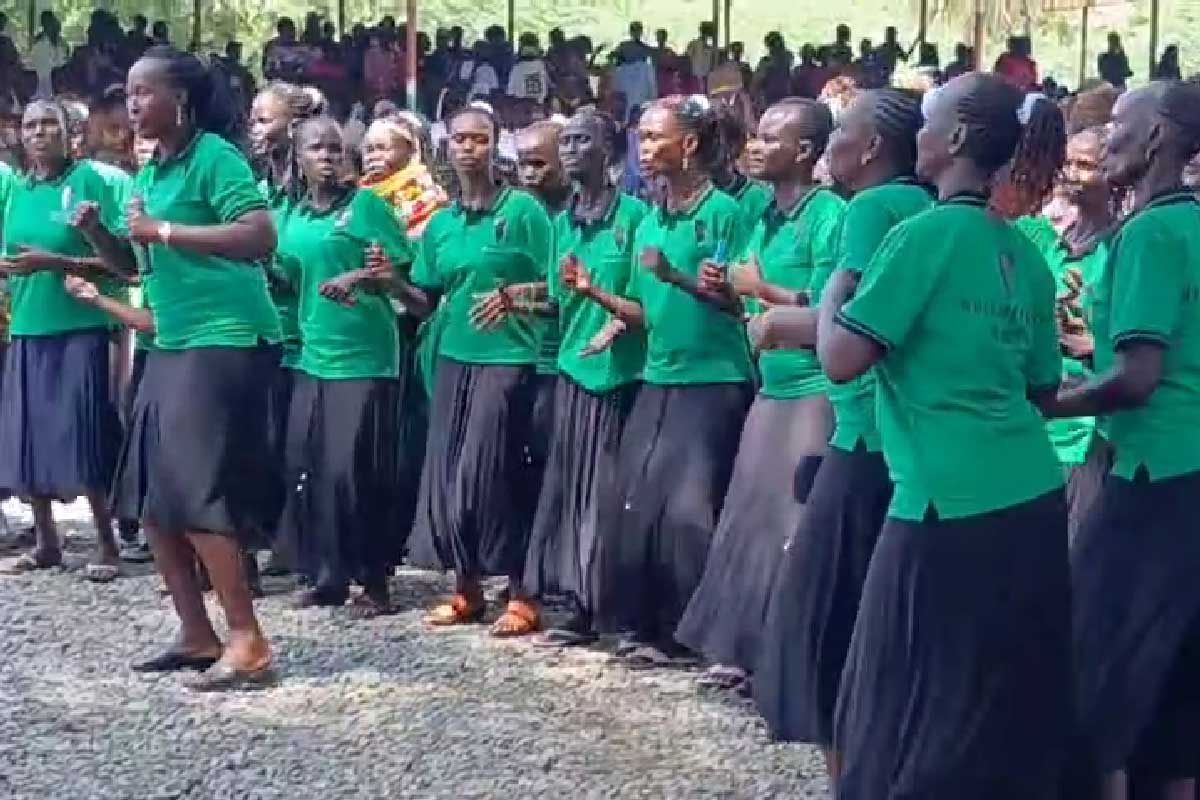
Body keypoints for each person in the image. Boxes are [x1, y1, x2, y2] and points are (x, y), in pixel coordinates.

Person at [819, 73, 1071, 796]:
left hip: (942, 503)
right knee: (996, 695)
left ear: (955, 139)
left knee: (899, 690)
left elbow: (842, 359)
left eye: (926, 120)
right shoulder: (1023, 253)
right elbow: (1042, 391)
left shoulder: (920, 235)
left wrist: (840, 284)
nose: (915, 134)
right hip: (1029, 493)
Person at [745, 87, 932, 783]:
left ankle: (851, 780)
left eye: (841, 133)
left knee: (825, 631)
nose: (830, 147)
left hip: (862, 438)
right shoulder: (929, 209)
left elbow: (846, 330)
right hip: (906, 445)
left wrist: (774, 324)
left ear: (875, 147)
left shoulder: (873, 209)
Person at [106, 47, 283, 690]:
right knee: (153, 497)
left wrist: (167, 231)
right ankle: (195, 632)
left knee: (200, 490)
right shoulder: (151, 172)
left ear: (179, 99)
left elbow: (260, 236)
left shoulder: (215, 157)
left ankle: (248, 639)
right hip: (174, 339)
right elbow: (136, 267)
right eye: (127, 92)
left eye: (143, 91)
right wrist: (105, 233)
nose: (131, 103)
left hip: (226, 336)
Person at [1048, 80, 1200, 800]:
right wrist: (1089, 349)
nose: (1104, 137)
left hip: (1148, 468)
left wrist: (1048, 403)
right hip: (1190, 465)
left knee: (1100, 673)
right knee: (1177, 690)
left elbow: (1139, 376)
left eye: (1118, 124)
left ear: (1160, 136)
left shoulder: (1148, 234)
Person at [677, 98, 844, 691]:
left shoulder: (830, 215)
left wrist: (761, 286)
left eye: (771, 138)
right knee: (749, 521)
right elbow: (743, 306)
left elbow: (834, 305)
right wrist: (722, 291)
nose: (755, 145)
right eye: (755, 135)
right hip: (770, 386)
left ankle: (786, 658)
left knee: (789, 525)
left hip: (812, 389)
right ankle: (741, 647)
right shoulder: (762, 217)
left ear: (804, 151)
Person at [588, 95, 754, 667]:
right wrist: (603, 307)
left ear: (689, 145)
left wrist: (675, 275)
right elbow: (641, 305)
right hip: (658, 374)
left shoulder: (724, 214)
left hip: (713, 379)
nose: (644, 147)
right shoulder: (648, 217)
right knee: (636, 501)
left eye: (655, 137)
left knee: (691, 510)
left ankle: (697, 635)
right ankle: (643, 626)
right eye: (641, 137)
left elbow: (733, 301)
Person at [407, 103, 552, 637]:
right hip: (452, 358)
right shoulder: (441, 223)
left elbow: (558, 288)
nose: (469, 148)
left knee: (495, 474)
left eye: (480, 139)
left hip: (509, 360)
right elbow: (425, 296)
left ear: (497, 147)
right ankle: (465, 587)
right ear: (446, 147)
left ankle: (521, 592)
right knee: (450, 476)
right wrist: (379, 282)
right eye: (460, 139)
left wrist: (516, 296)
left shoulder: (526, 212)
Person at [274, 116, 412, 616]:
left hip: (365, 356)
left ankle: (374, 580)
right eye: (318, 149)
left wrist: (363, 275)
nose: (329, 157)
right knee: (306, 464)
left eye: (337, 149)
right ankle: (326, 575)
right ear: (299, 157)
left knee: (354, 471)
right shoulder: (292, 215)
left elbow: (400, 270)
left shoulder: (367, 207)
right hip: (312, 354)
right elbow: (285, 275)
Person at [522, 110, 647, 646]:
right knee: (571, 492)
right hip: (572, 370)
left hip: (618, 375)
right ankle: (576, 603)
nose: (571, 150)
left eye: (582, 141)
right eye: (566, 141)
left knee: (609, 495)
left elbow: (644, 301)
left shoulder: (636, 217)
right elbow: (557, 300)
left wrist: (612, 320)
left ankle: (613, 606)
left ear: (610, 152)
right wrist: (514, 302)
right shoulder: (561, 224)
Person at [0, 100, 125, 580]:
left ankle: (108, 545)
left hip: (81, 323)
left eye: (48, 124)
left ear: (70, 131)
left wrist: (56, 262)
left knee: (84, 431)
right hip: (29, 323)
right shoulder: (18, 189)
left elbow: (120, 262)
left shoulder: (90, 182)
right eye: (30, 126)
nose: (38, 133)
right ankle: (46, 541)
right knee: (30, 433)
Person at [1022, 127, 1116, 540]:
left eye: (1086, 165)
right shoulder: (1045, 240)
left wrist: (1094, 347)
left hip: (1089, 430)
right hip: (1038, 421)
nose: (1071, 174)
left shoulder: (1123, 247)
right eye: (1068, 163)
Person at [29, 11, 69, 100]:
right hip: (46, 83)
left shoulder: (62, 43)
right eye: (49, 23)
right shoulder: (40, 43)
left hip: (60, 82)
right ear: (44, 26)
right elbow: (41, 67)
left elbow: (65, 60)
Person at [507, 33, 551, 105]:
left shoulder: (517, 68)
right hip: (539, 103)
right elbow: (548, 84)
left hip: (521, 104)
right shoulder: (543, 66)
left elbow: (510, 90)